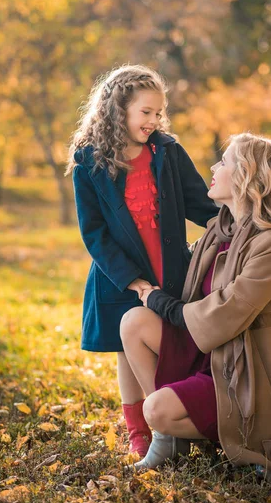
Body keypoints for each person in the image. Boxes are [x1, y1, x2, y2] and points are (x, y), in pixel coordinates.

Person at [120, 132, 271, 477]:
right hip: (210, 355)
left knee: (157, 409)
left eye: (223, 162)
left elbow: (227, 312)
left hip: (247, 371)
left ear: (246, 176)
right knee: (134, 321)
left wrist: (163, 304)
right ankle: (171, 435)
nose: (213, 166)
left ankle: (237, 440)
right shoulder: (219, 232)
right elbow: (184, 281)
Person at [66, 64, 219, 458]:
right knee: (126, 350)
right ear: (119, 110)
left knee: (168, 344)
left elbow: (202, 204)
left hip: (169, 270)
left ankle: (170, 418)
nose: (153, 121)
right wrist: (134, 282)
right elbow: (94, 233)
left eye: (158, 113)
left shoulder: (167, 152)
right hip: (118, 276)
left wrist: (241, 224)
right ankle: (140, 431)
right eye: (145, 112)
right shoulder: (89, 162)